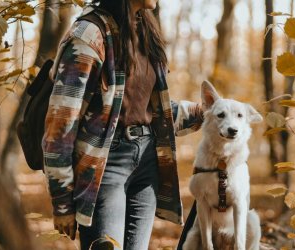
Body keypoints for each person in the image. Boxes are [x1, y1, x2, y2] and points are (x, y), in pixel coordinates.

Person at [41, 0, 203, 249]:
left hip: (148, 162)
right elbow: (61, 121)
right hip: (105, 167)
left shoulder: (145, 31)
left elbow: (151, 112)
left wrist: (209, 113)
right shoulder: (89, 34)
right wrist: (61, 199)